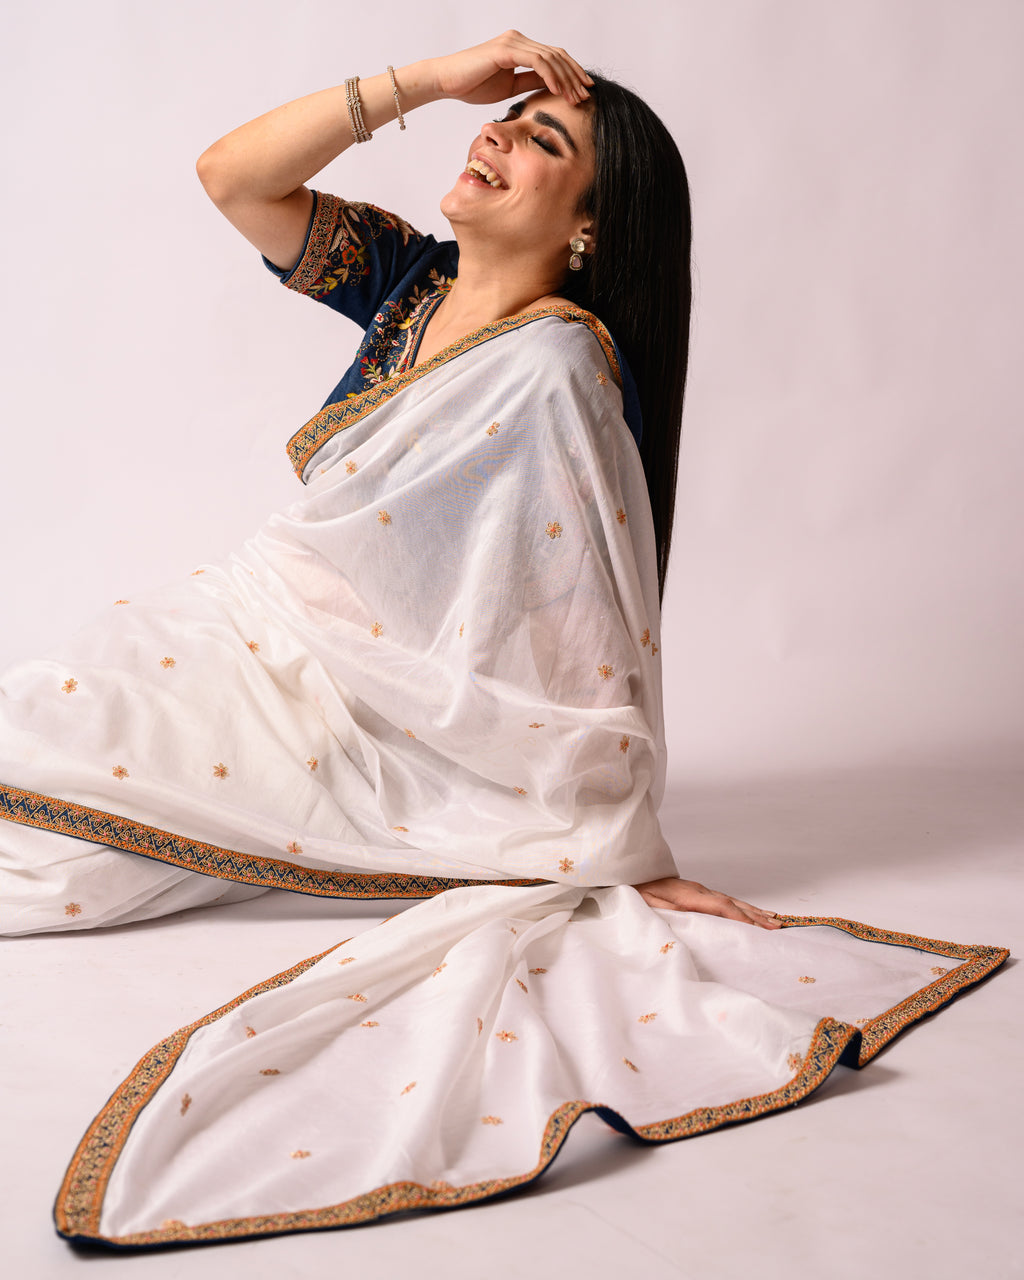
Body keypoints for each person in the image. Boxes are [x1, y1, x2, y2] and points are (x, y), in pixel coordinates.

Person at [0, 33, 1005, 1250]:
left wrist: (612, 842)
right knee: (56, 767)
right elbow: (231, 176)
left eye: (542, 142)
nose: (497, 137)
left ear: (587, 228)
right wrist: (429, 81)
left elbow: (590, 635)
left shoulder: (554, 370)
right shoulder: (410, 283)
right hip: (238, 629)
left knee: (45, 769)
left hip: (342, 720)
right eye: (504, 121)